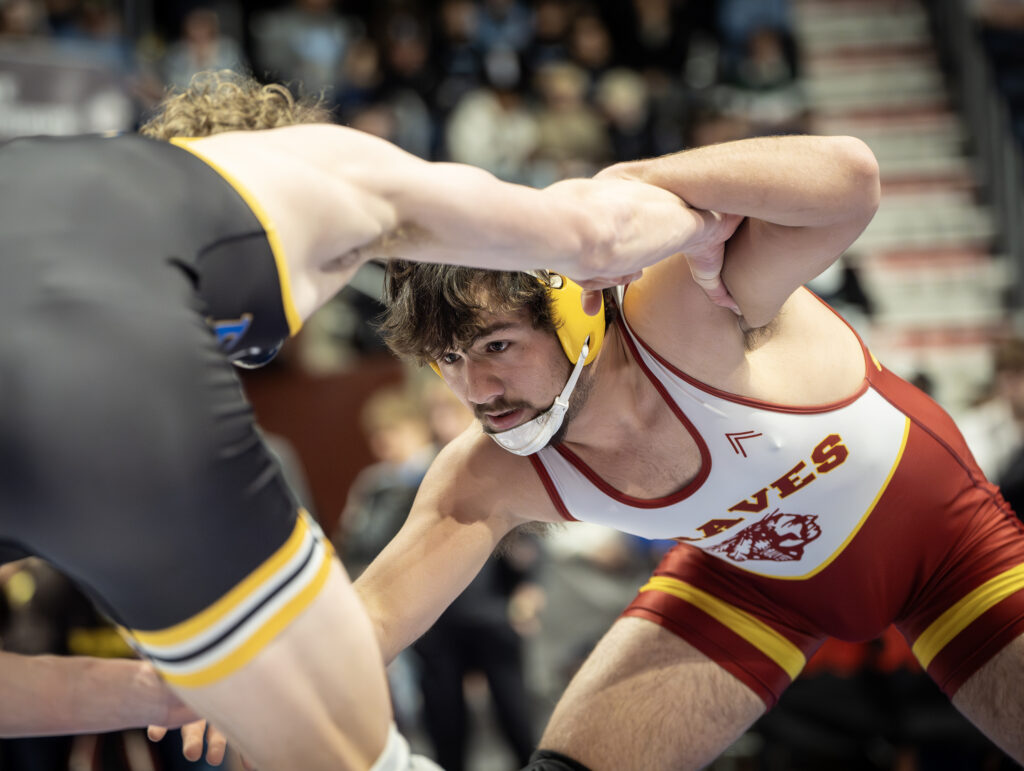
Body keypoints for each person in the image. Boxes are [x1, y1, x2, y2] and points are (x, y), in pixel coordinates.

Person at [0, 69, 701, 771]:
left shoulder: (63, 188)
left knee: (299, 715)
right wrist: (704, 226)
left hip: (72, 409)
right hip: (110, 393)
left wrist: (169, 692)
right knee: (340, 742)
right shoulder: (299, 167)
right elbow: (591, 231)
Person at [355, 132, 1024, 770]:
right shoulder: (489, 474)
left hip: (950, 550)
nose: (478, 390)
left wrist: (625, 184)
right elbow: (368, 626)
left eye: (497, 346)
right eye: (449, 359)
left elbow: (853, 179)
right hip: (752, 587)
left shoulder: (677, 306)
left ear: (572, 305)